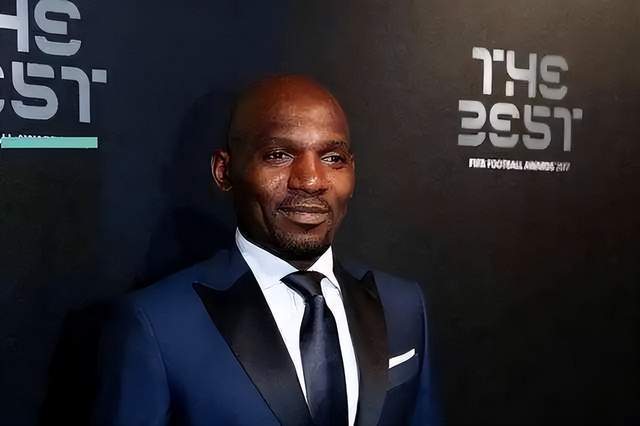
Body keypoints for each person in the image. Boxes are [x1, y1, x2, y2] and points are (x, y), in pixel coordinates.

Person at [93, 75, 441, 426]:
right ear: (224, 171)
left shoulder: (403, 305)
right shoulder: (156, 325)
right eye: (278, 155)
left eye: (332, 158)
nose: (311, 180)